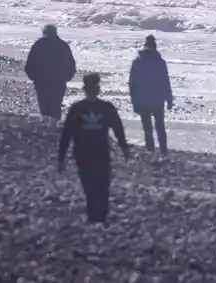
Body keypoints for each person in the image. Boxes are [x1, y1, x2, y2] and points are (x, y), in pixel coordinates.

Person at [58, 73, 131, 224]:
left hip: (86, 153)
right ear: (97, 89)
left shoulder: (77, 109)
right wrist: (124, 149)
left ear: (85, 89)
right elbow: (118, 130)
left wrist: (61, 158)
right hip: (97, 152)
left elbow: (66, 134)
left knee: (93, 188)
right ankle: (100, 220)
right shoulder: (105, 108)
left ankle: (95, 219)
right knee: (101, 187)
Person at [128, 34, 174, 154]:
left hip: (142, 99)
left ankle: (150, 149)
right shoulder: (160, 62)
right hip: (157, 99)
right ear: (155, 46)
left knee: (147, 127)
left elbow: (132, 83)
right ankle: (163, 149)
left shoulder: (137, 62)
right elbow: (165, 81)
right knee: (160, 126)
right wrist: (169, 99)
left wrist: (134, 101)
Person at [25, 24, 77, 123]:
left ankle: (45, 123)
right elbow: (71, 65)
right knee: (56, 103)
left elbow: (29, 64)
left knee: (44, 102)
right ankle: (54, 124)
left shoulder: (38, 44)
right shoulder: (63, 45)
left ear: (44, 32)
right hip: (59, 80)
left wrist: (34, 78)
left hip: (42, 80)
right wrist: (67, 78)